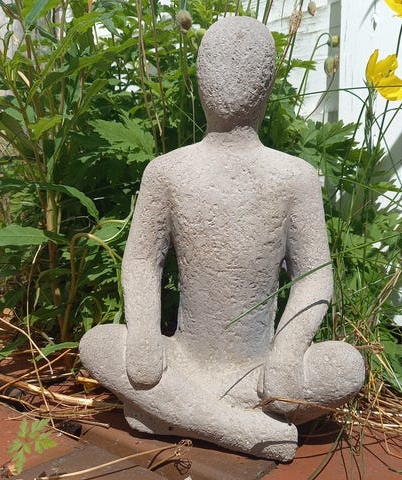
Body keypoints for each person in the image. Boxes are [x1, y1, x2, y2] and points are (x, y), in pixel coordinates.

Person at [80, 15, 365, 462]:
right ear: (199, 78)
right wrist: (145, 334)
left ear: (267, 82)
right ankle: (241, 429)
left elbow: (314, 275)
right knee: (97, 344)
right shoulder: (167, 172)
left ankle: (170, 414)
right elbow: (141, 261)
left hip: (258, 372)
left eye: (245, 68)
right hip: (182, 359)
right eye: (216, 65)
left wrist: (288, 351)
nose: (229, 79)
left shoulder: (294, 177)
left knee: (346, 367)